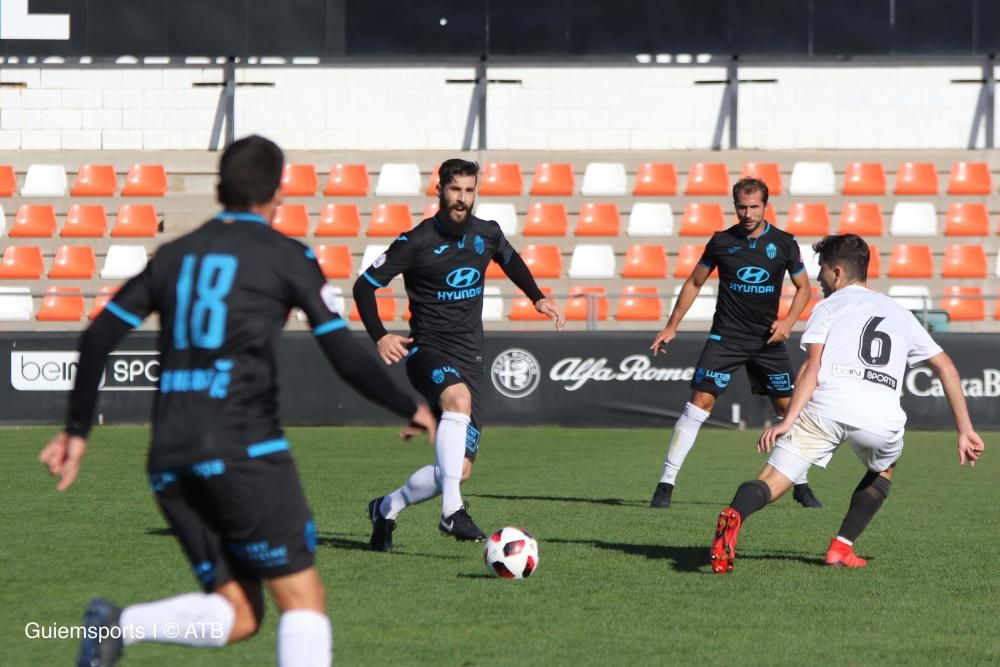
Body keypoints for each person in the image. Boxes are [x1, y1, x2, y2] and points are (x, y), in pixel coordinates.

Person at [38, 135, 436, 667]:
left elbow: (96, 338)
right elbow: (340, 348)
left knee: (241, 613)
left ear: (219, 188)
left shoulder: (174, 255)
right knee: (303, 600)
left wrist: (77, 433)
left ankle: (117, 626)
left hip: (170, 460)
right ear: (278, 194)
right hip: (242, 449)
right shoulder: (286, 256)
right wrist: (406, 404)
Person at [710, 234, 985, 574]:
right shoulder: (901, 314)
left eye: (822, 271)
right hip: (880, 417)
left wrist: (786, 420)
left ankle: (736, 514)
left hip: (827, 406)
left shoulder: (827, 307)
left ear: (837, 272)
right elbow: (947, 368)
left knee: (771, 479)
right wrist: (965, 430)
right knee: (884, 467)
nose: (820, 279)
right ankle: (841, 548)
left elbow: (812, 368)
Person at [354, 158, 565, 550]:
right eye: (455, 190)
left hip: (471, 357)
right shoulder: (415, 241)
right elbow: (363, 287)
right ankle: (452, 512)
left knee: (457, 469)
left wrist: (536, 297)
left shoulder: (486, 234)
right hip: (428, 351)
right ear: (440, 190)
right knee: (458, 399)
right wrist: (380, 335)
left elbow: (511, 259)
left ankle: (386, 508)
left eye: (469, 190)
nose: (462, 199)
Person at [648, 177, 822, 510]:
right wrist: (671, 326)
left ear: (765, 206)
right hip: (726, 337)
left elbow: (804, 289)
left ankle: (800, 484)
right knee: (699, 402)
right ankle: (666, 483)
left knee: (788, 410)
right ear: (734, 205)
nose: (747, 213)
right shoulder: (721, 242)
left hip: (767, 340)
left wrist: (787, 323)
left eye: (754, 206)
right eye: (741, 206)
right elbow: (694, 281)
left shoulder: (784, 243)